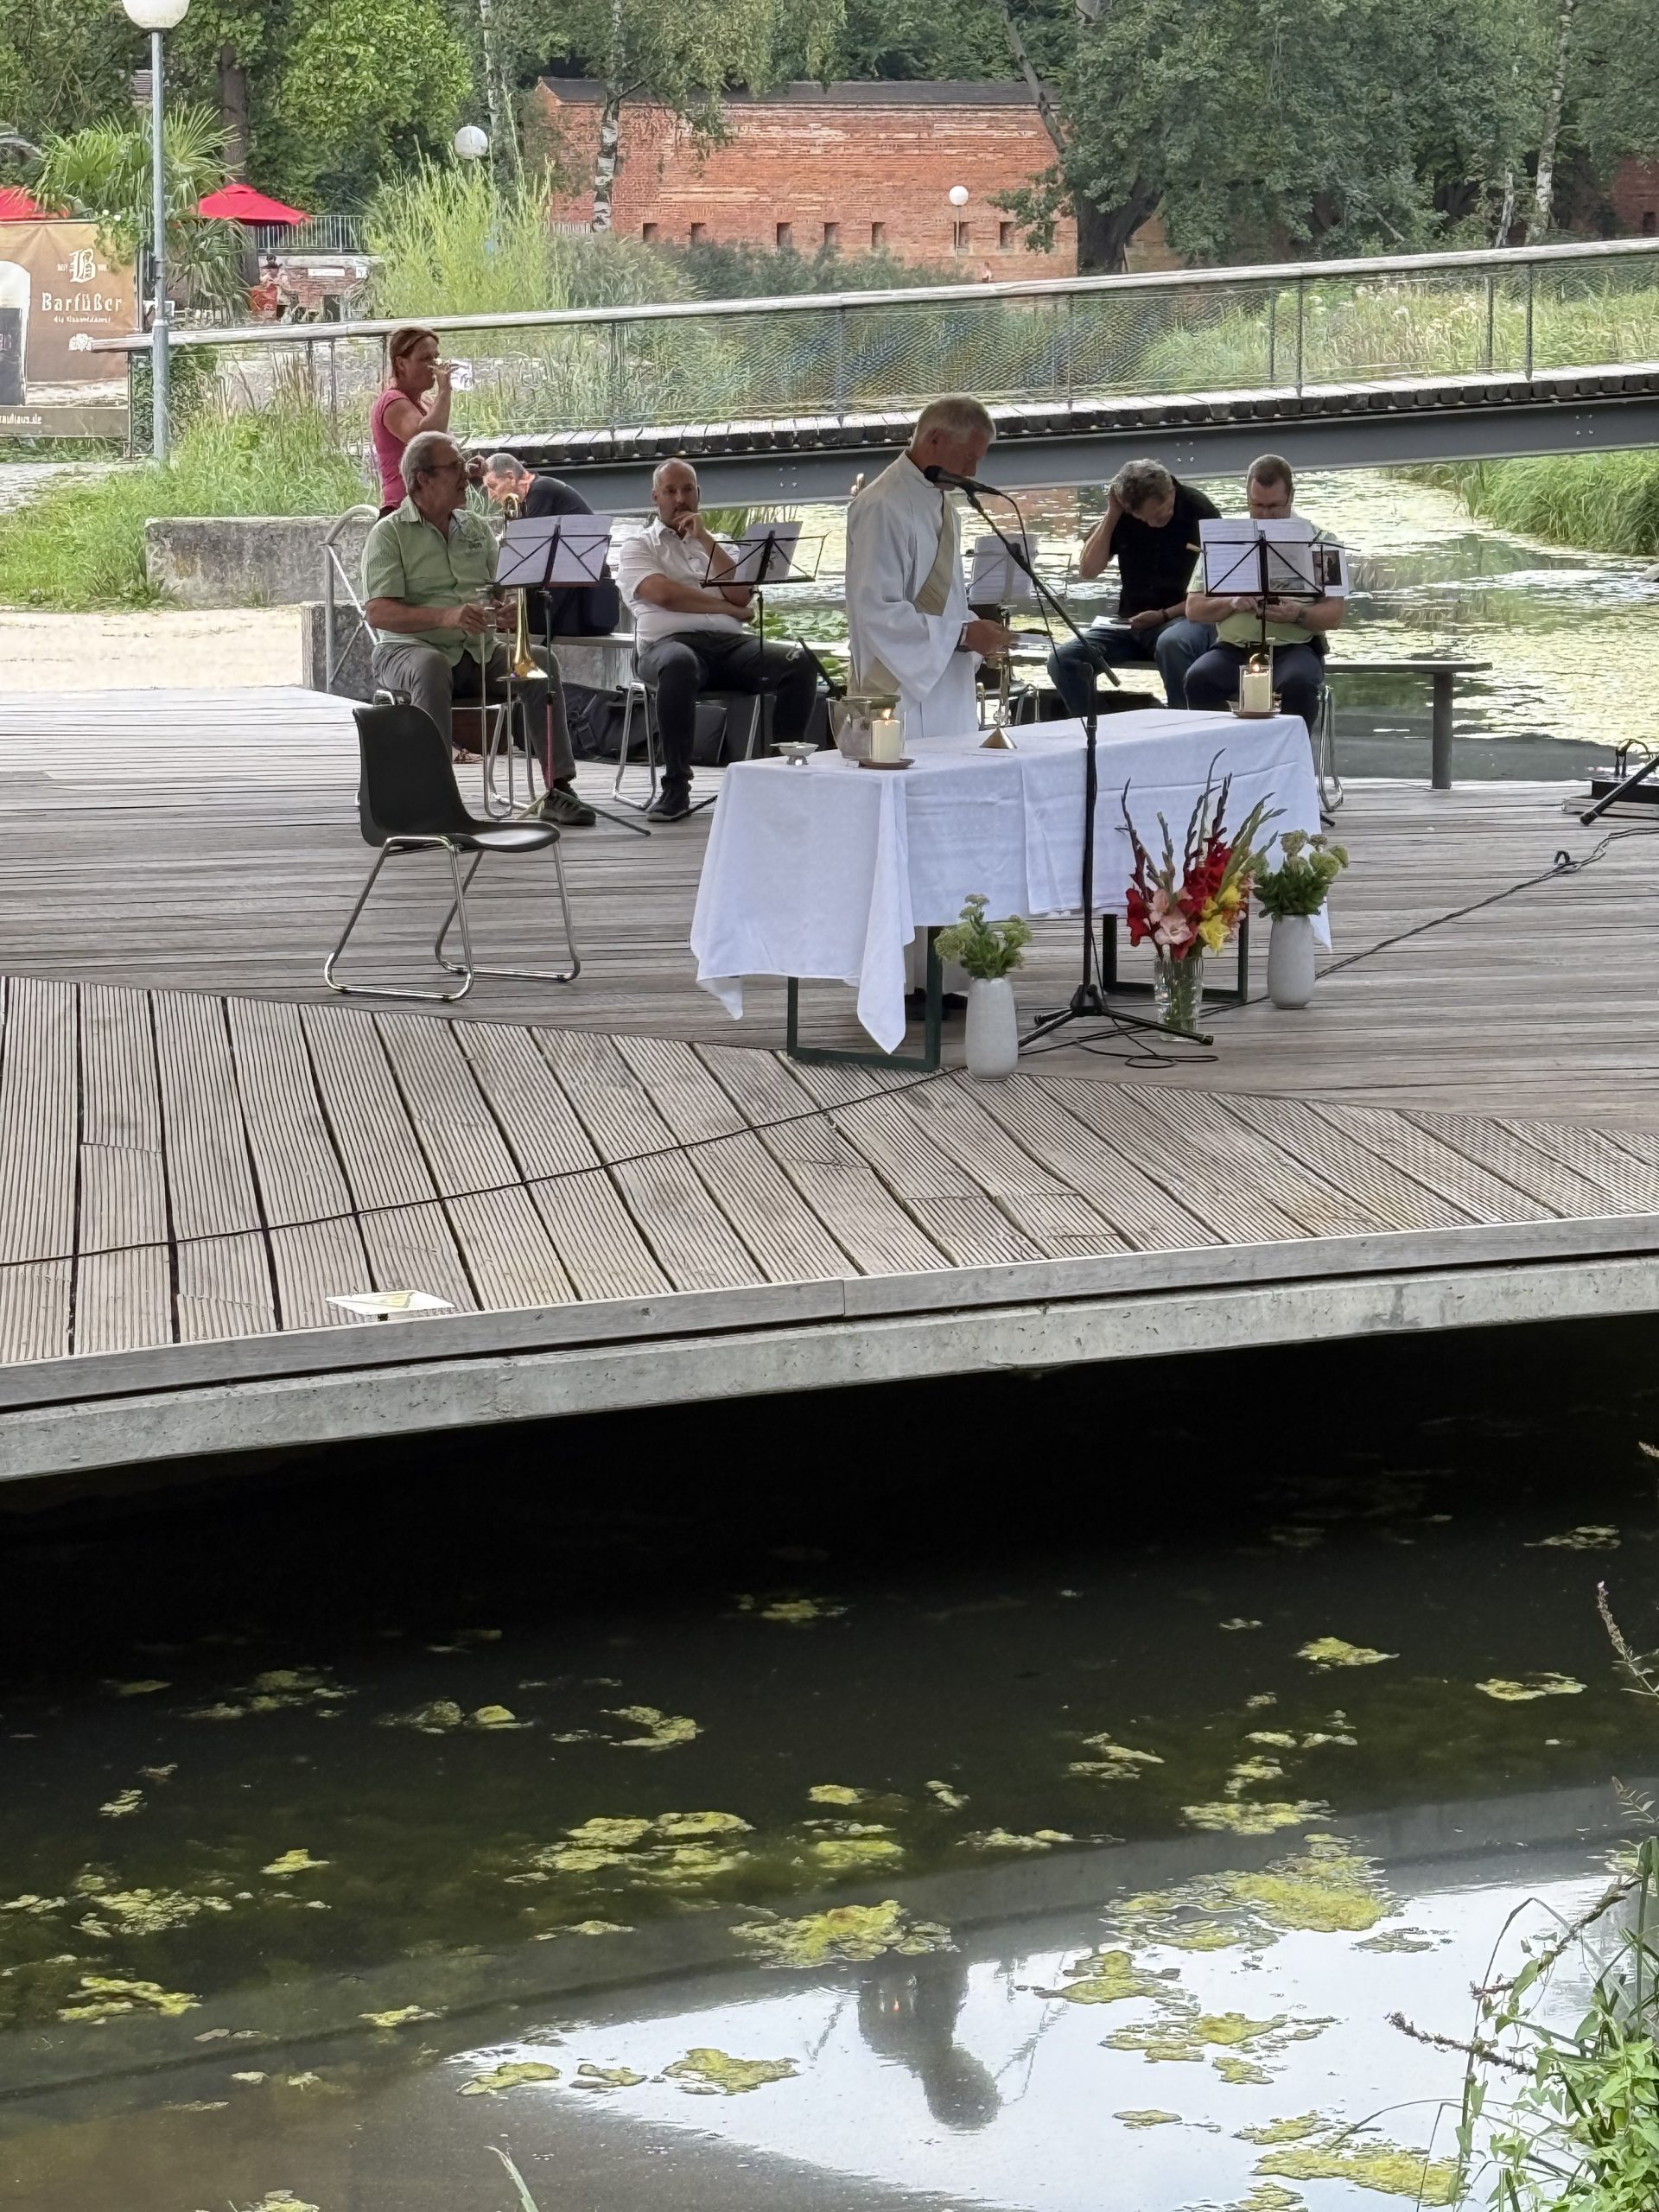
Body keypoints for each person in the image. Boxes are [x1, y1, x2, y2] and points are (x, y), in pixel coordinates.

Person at [362, 429, 595, 827]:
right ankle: (434, 796)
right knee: (431, 665)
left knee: (539, 662)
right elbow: (379, 612)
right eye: (454, 467)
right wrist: (446, 616)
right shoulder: (389, 534)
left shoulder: (474, 528)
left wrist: (504, 612)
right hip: (409, 650)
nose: (467, 474)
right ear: (423, 478)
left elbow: (499, 591)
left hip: (479, 652)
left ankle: (557, 788)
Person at [613, 457, 817, 823]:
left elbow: (739, 594)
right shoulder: (638, 546)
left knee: (799, 662)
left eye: (687, 489)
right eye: (671, 491)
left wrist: (705, 540)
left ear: (699, 494)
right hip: (665, 648)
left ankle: (782, 775)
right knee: (679, 663)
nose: (680, 499)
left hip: (727, 649)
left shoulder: (719, 545)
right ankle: (676, 787)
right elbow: (663, 595)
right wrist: (729, 609)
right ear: (655, 497)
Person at [844, 395, 1014, 742]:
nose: (973, 472)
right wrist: (964, 634)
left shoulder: (943, 503)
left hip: (946, 681)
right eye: (968, 457)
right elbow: (875, 610)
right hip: (898, 691)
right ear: (934, 438)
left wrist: (976, 630)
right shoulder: (881, 505)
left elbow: (944, 600)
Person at [1182, 454, 1344, 731]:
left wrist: (1298, 613)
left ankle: (1289, 764)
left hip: (1295, 648)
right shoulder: (1224, 540)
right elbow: (1193, 609)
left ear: (1291, 496)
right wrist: (1232, 602)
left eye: (1273, 506)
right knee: (1198, 678)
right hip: (1233, 649)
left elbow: (1335, 615)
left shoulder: (1324, 541)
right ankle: (1220, 761)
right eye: (1257, 505)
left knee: (1299, 683)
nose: (1265, 515)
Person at [1046, 459, 1217, 715]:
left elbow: (1216, 587)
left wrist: (1164, 615)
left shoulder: (1199, 510)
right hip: (1132, 624)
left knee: (1172, 643)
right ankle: (1101, 733)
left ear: (1170, 490)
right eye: (1143, 518)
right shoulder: (1122, 514)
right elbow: (1088, 570)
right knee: (1062, 659)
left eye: (1160, 514)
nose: (1152, 524)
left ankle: (1185, 726)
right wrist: (1113, 514)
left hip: (1183, 618)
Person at [481, 452, 620, 639]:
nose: (491, 496)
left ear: (510, 477)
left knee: (510, 620)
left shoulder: (540, 491)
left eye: (492, 486)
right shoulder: (536, 493)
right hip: (569, 586)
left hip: (578, 591)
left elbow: (531, 560)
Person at [370, 327, 453, 516]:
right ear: (401, 364)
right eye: (425, 359)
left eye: (436, 357)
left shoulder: (426, 404)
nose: (435, 365)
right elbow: (426, 440)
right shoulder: (392, 401)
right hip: (404, 511)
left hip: (430, 507)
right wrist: (445, 390)